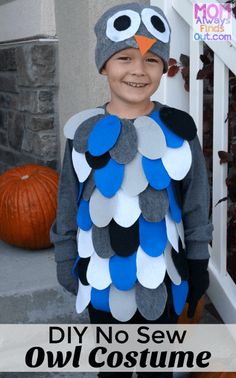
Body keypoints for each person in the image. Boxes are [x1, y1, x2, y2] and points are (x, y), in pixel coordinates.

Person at [51, 3, 213, 377]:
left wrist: (199, 259)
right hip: (102, 274)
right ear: (104, 65)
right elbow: (66, 198)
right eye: (124, 57)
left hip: (165, 271)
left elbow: (195, 198)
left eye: (152, 60)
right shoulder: (84, 132)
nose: (138, 70)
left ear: (164, 68)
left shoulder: (179, 130)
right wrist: (64, 255)